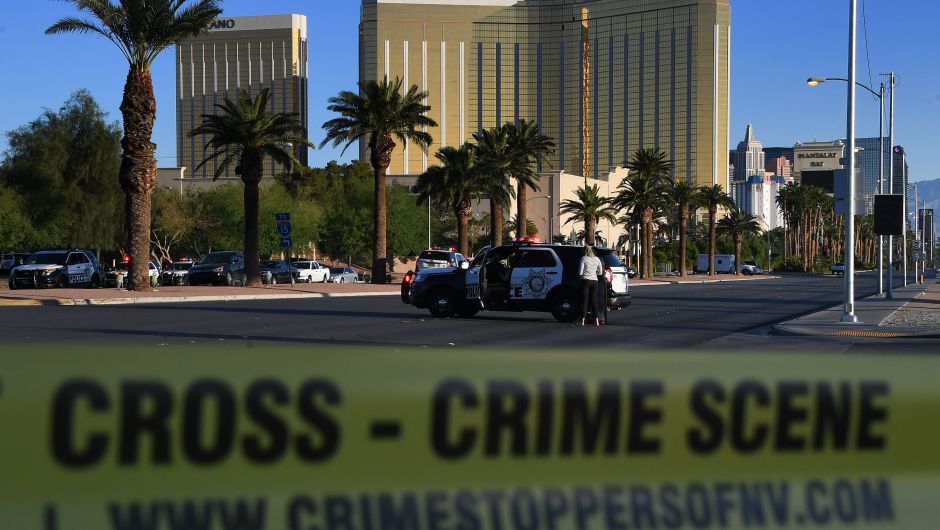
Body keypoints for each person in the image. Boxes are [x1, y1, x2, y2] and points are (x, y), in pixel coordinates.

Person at [578, 245, 603, 326]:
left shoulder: (583, 259)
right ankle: (597, 320)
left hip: (585, 281)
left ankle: (582, 320)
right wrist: (594, 273)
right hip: (594, 281)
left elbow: (580, 272)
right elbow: (600, 272)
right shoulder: (597, 259)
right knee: (594, 300)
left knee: (584, 301)